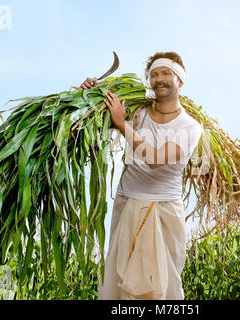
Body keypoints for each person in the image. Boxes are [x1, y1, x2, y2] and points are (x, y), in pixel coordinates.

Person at [80, 52, 203, 300]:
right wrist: (91, 92)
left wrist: (121, 124)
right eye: (154, 74)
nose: (159, 79)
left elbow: (156, 159)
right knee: (120, 283)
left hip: (163, 212)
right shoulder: (139, 111)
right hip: (126, 206)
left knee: (161, 288)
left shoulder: (190, 127)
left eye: (166, 73)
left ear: (180, 80)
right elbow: (96, 113)